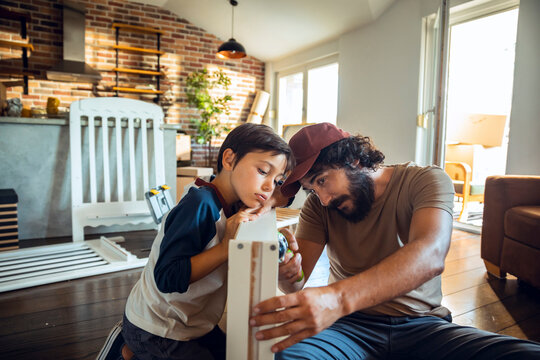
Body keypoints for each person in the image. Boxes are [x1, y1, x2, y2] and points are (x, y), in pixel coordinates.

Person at [249, 122, 540, 359]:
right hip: (347, 328)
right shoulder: (319, 208)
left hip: (425, 326)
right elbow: (296, 282)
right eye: (312, 189)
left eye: (322, 180)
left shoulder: (425, 180)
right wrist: (290, 271)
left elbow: (430, 254)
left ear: (353, 158)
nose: (322, 199)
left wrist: (337, 298)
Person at [121, 123, 294, 360]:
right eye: (263, 171)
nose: (269, 187)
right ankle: (128, 351)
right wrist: (225, 249)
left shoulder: (238, 200)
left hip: (194, 324)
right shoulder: (200, 205)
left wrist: (272, 203)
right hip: (157, 327)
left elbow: (286, 195)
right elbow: (167, 276)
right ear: (229, 159)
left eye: (277, 180)